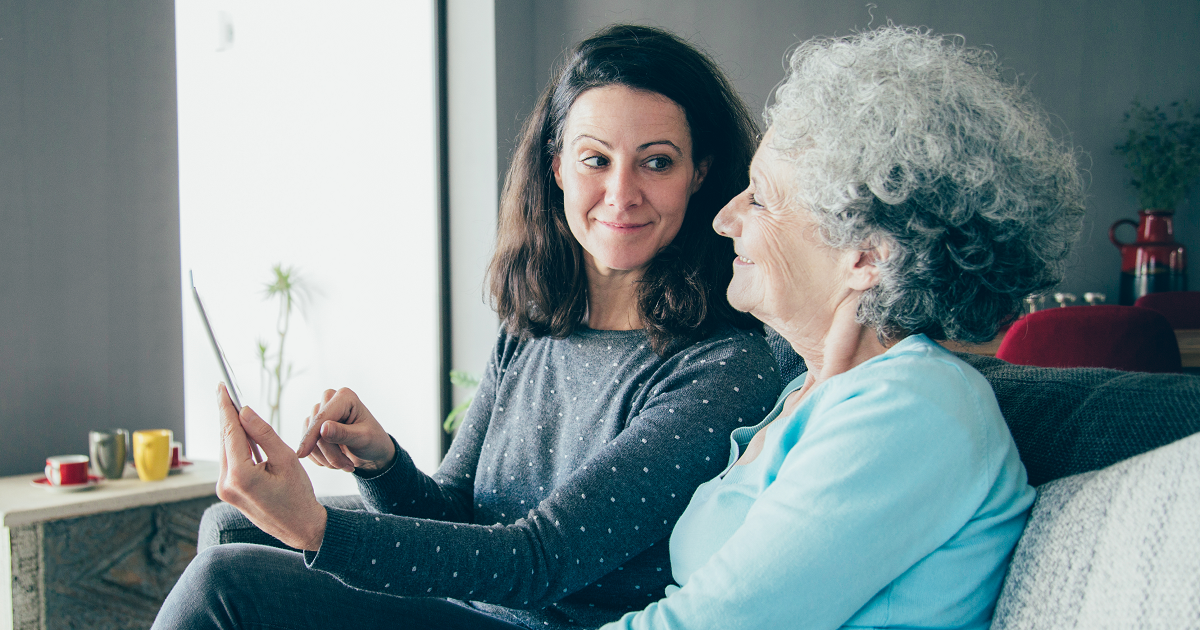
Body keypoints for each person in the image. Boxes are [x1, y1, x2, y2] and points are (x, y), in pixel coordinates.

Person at [152, 25, 781, 630]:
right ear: (557, 165)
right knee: (229, 528)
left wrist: (316, 528)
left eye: (657, 163)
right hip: (474, 610)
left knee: (224, 585)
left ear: (700, 174)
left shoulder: (722, 365)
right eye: (596, 159)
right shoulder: (537, 326)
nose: (621, 193)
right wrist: (382, 466)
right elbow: (460, 512)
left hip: (551, 620)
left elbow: (538, 562)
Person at [600, 26, 1085, 630]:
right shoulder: (802, 396)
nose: (724, 219)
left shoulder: (911, 407)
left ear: (868, 255)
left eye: (761, 200)